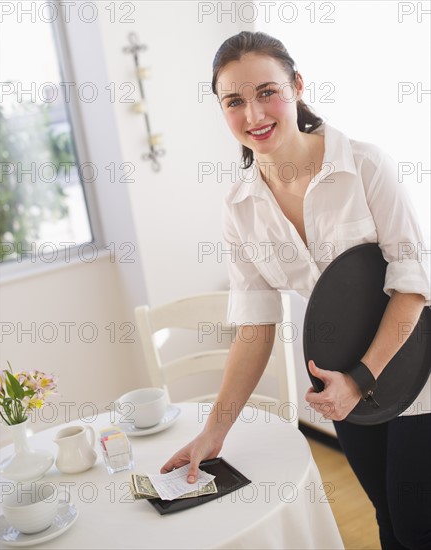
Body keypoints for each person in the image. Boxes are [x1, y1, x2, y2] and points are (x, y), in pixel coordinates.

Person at [161, 31, 431, 550]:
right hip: (340, 387)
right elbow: (255, 327)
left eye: (268, 92)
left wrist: (360, 378)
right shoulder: (240, 207)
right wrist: (213, 433)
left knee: (419, 523)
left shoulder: (365, 165)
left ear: (297, 86)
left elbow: (413, 288)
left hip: (415, 367)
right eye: (234, 101)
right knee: (389, 520)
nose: (253, 113)